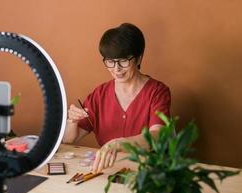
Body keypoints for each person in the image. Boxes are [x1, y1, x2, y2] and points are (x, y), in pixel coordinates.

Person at [63, 23, 171, 173]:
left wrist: (119, 143)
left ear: (138, 59)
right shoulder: (99, 94)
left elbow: (158, 136)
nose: (116, 69)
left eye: (124, 61)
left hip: (146, 173)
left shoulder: (157, 91)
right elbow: (68, 139)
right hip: (109, 171)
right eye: (110, 61)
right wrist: (72, 121)